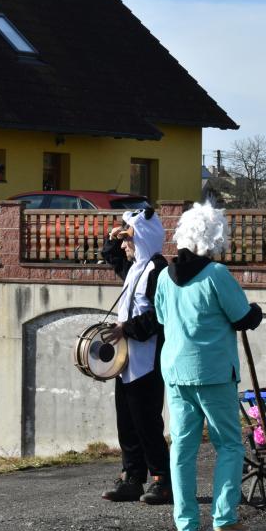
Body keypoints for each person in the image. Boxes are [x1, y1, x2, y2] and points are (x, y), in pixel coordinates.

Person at [154, 202, 262, 531]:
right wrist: (256, 312)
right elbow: (242, 317)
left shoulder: (164, 277)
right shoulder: (216, 274)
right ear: (215, 239)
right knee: (228, 444)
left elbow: (161, 318)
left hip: (176, 371)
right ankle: (224, 518)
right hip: (213, 371)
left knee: (182, 447)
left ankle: (185, 524)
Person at [100, 207, 172, 505]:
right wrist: (112, 236)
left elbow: (160, 317)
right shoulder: (135, 267)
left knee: (147, 422)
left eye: (128, 239)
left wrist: (126, 328)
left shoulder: (158, 270)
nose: (123, 246)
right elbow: (111, 255)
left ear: (141, 237)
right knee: (127, 421)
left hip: (148, 359)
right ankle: (132, 476)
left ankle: (162, 480)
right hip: (127, 359)